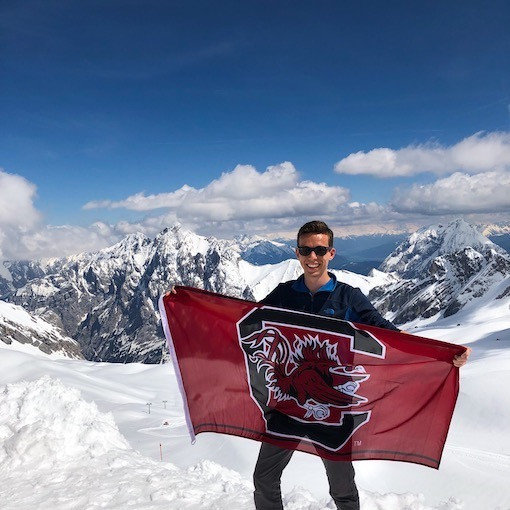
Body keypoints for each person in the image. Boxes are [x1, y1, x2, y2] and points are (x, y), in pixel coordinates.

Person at [253, 220, 470, 510]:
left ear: (332, 253)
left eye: (320, 249)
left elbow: (386, 332)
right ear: (297, 252)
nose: (312, 257)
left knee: (342, 488)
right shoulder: (283, 295)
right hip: (290, 401)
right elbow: (244, 319)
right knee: (264, 478)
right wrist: (185, 303)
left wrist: (444, 354)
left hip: (334, 407)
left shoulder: (348, 296)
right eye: (306, 250)